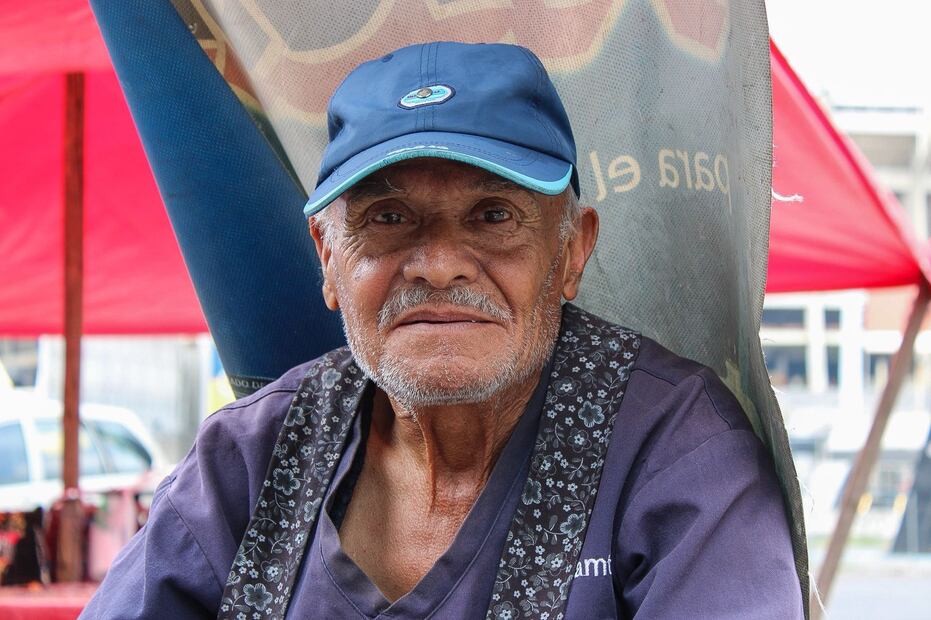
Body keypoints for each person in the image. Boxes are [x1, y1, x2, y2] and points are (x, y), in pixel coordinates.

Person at [81, 41, 803, 619]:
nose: (437, 264)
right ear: (329, 259)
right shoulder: (249, 460)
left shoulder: (675, 451)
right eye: (388, 219)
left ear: (571, 251)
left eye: (492, 215)